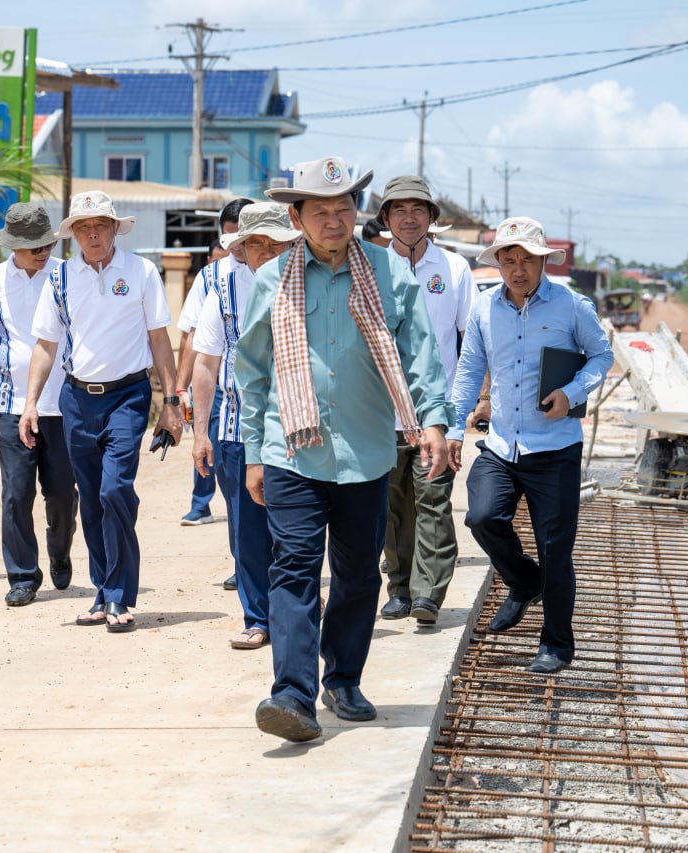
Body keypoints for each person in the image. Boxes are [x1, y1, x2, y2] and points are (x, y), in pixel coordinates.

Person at [236, 155, 453, 742]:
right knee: (295, 571)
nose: (335, 220)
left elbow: (422, 355)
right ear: (298, 217)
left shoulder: (389, 274)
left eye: (343, 208)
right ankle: (291, 694)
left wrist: (434, 421)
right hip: (292, 452)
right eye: (321, 212)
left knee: (357, 576)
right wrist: (255, 450)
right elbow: (252, 371)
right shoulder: (271, 280)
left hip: (366, 450)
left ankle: (344, 678)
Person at [448, 217, 612, 675]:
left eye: (527, 260)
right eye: (509, 259)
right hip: (502, 444)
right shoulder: (483, 309)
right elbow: (467, 370)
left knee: (555, 548)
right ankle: (523, 583)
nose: (518, 269)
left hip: (555, 448)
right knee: (481, 517)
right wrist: (454, 429)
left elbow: (602, 355)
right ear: (498, 262)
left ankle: (556, 645)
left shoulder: (572, 306)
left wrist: (572, 393)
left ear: (543, 261)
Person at [19, 191, 184, 633]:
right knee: (90, 500)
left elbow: (159, 339)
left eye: (101, 225)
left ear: (115, 229)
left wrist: (171, 403)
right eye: (84, 227)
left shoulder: (142, 271)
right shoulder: (60, 280)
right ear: (72, 233)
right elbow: (45, 346)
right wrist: (31, 402)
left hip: (128, 397)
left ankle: (120, 596)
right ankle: (102, 593)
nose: (93, 234)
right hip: (76, 400)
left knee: (115, 491)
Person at [191, 203, 299, 650]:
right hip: (237, 428)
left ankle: (296, 614)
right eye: (256, 244)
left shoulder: (306, 283)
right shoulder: (225, 288)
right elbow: (205, 362)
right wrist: (201, 431)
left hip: (300, 431)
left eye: (275, 243)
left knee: (296, 531)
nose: (266, 252)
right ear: (243, 249)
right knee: (247, 532)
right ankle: (258, 617)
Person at [0, 202, 78, 608]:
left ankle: (60, 550)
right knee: (16, 493)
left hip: (64, 404)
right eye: (33, 246)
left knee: (62, 493)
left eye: (47, 243)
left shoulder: (68, 273)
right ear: (12, 245)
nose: (42, 251)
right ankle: (23, 575)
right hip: (11, 403)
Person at [376, 175, 475, 627]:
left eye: (418, 209)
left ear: (433, 218)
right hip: (380, 412)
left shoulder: (454, 269)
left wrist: (461, 421)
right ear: (385, 218)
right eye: (399, 210)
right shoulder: (370, 267)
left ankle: (427, 594)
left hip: (437, 412)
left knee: (433, 501)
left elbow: (472, 344)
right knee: (392, 506)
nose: (409, 217)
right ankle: (398, 587)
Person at [175, 198, 254, 532]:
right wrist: (182, 388)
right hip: (222, 392)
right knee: (230, 476)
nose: (235, 245)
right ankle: (243, 561)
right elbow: (192, 338)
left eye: (243, 236)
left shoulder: (279, 270)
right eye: (228, 238)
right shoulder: (211, 277)